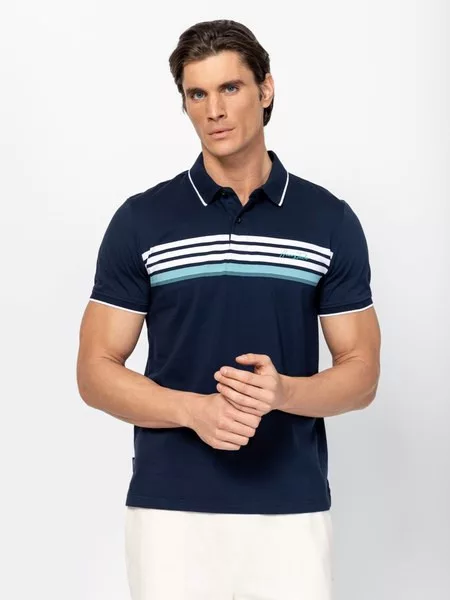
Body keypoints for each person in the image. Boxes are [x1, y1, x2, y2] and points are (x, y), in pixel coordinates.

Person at [76, 18, 381, 600]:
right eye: (197, 94)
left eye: (230, 88)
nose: (214, 110)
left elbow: (362, 374)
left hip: (290, 510)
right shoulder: (142, 221)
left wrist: (283, 393)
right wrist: (195, 411)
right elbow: (94, 371)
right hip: (170, 514)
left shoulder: (329, 221)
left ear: (265, 90)